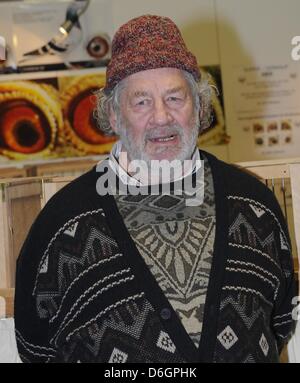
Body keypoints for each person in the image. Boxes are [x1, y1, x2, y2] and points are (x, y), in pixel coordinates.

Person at [14, 14, 297, 363]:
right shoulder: (63, 223)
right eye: (142, 102)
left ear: (199, 106)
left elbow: (280, 319)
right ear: (114, 116)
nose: (161, 117)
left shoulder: (254, 204)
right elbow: (34, 347)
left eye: (175, 98)